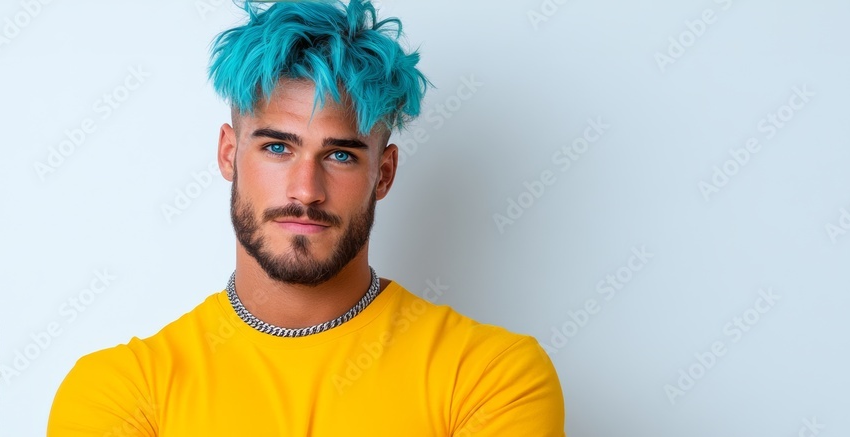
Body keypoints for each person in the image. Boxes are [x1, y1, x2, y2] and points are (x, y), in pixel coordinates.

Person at [46, 1, 566, 435]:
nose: (305, 191)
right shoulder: (118, 393)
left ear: (383, 174)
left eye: (340, 155)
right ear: (229, 153)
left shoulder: (490, 377)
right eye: (277, 147)